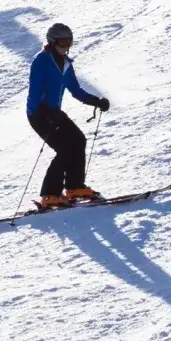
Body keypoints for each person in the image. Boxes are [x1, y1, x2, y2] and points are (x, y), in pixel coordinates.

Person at [27, 23, 110, 209]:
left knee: (78, 141)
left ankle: (74, 187)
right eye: (62, 43)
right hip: (39, 114)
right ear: (52, 41)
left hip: (54, 112)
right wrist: (45, 112)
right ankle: (49, 194)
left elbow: (76, 90)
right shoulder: (41, 62)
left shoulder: (66, 64)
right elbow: (34, 93)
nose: (66, 47)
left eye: (69, 43)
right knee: (64, 149)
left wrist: (96, 101)